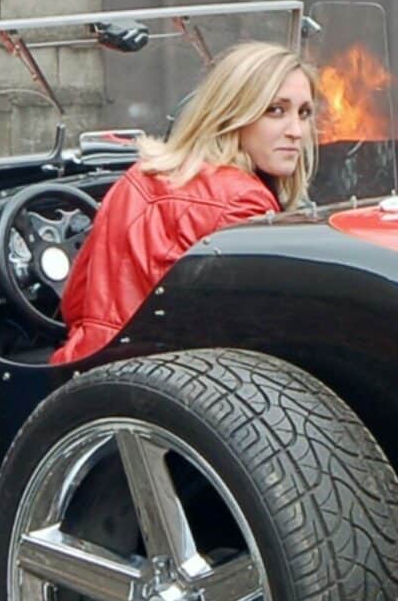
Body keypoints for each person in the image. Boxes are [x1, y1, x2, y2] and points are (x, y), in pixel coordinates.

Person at [51, 40, 317, 365]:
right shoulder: (244, 201)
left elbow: (76, 300)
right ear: (233, 113)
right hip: (173, 380)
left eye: (304, 113)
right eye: (275, 110)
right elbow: (256, 335)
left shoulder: (142, 173)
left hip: (89, 366)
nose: (296, 131)